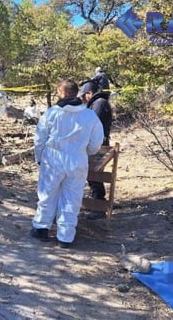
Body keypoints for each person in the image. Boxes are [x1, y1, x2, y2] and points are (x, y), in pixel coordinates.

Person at [31, 79, 104, 248]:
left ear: (62, 93)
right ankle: (65, 237)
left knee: (47, 193)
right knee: (72, 197)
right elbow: (96, 142)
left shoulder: (52, 113)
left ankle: (41, 228)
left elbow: (40, 139)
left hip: (53, 158)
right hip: (77, 160)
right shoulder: (89, 116)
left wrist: (39, 157)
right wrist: (85, 152)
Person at [79, 80, 113, 219]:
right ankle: (96, 203)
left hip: (98, 145)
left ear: (89, 93)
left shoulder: (99, 104)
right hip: (97, 143)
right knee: (93, 175)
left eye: (84, 95)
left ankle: (98, 207)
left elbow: (93, 125)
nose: (83, 99)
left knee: (95, 174)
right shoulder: (98, 103)